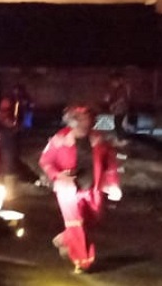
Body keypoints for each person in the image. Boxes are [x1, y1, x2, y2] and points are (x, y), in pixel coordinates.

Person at [39, 104, 122, 274]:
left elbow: (110, 162)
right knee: (75, 223)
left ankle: (64, 238)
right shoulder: (59, 139)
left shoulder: (98, 140)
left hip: (92, 189)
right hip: (67, 190)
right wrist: (58, 175)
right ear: (73, 121)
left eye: (89, 119)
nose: (88, 123)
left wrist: (113, 183)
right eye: (83, 119)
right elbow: (45, 161)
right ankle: (82, 261)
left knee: (91, 221)